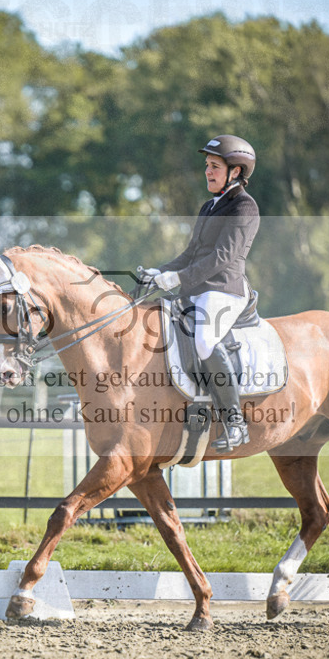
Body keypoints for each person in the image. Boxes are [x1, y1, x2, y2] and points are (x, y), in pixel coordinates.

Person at [144, 135, 260, 451]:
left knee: (205, 339)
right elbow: (192, 252)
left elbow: (222, 257)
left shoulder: (244, 206)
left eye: (214, 166)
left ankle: (236, 424)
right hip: (197, 288)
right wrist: (160, 273)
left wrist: (177, 278)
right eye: (206, 166)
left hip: (224, 289)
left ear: (235, 172)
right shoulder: (209, 206)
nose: (207, 172)